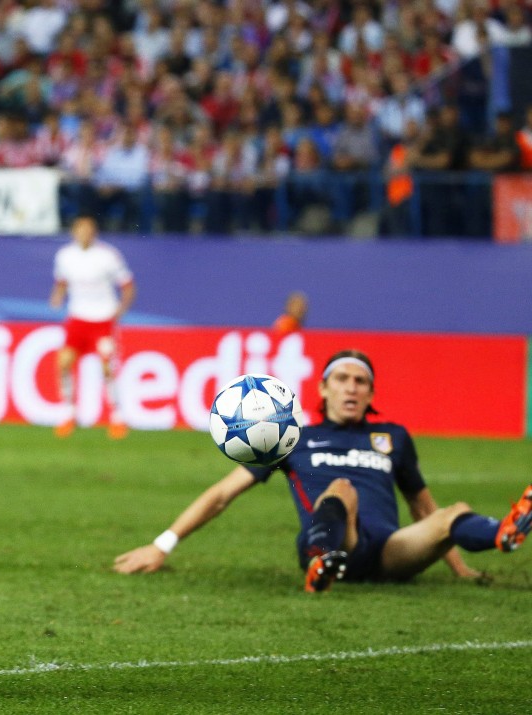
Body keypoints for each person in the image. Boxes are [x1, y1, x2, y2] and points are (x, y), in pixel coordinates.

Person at [113, 350, 532, 592]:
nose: (352, 387)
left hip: (389, 551)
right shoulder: (290, 437)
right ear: (324, 387)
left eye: (361, 381)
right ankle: (322, 561)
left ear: (371, 393)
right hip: (336, 540)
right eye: (343, 378)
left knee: (452, 511)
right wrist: (161, 545)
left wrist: (459, 568)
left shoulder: (393, 437)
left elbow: (424, 507)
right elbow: (222, 494)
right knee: (341, 490)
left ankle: (502, 533)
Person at [50, 214, 136, 440]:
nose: (84, 234)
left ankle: (117, 417)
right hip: (78, 318)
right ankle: (68, 413)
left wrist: (119, 311)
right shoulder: (65, 256)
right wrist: (57, 296)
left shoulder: (108, 256)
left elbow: (127, 286)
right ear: (74, 232)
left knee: (107, 368)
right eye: (80, 229)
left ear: (94, 232)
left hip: (103, 319)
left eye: (89, 229)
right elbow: (61, 281)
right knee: (63, 362)